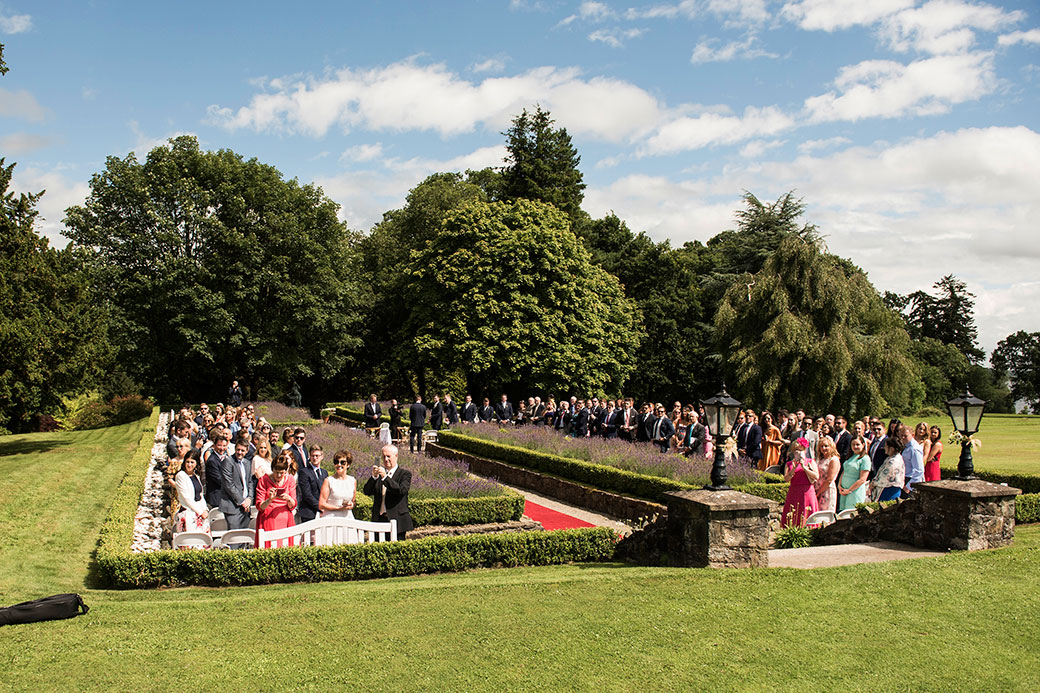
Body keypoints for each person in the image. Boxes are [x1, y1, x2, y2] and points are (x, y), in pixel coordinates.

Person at [363, 444, 413, 540]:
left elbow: (401, 491)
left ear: (396, 456)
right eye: (384, 456)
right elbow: (367, 491)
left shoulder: (404, 474)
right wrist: (374, 477)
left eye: (388, 456)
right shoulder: (380, 475)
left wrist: (385, 477)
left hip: (396, 519)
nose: (386, 459)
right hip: (379, 519)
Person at [254, 453, 297, 548]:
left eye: (281, 473)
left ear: (286, 471)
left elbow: (293, 505)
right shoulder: (263, 480)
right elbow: (259, 506)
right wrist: (270, 499)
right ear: (272, 469)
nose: (278, 475)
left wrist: (289, 499)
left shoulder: (290, 479)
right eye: (276, 472)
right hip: (268, 518)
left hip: (286, 520)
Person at [219, 440, 255, 548]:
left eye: (242, 450)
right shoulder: (228, 462)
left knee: (243, 539)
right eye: (238, 450)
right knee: (234, 539)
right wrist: (242, 501)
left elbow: (249, 482)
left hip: (246, 507)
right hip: (232, 506)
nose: (240, 452)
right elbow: (229, 485)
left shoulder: (247, 463)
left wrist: (249, 498)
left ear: (247, 451)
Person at [782, 438, 820, 527]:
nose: (798, 452)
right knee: (794, 513)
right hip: (794, 491)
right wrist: (794, 468)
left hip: (807, 491)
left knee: (808, 512)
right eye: (795, 451)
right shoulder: (789, 464)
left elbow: (816, 476)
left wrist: (805, 467)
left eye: (800, 450)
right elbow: (786, 478)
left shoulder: (810, 462)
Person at [174, 451, 210, 535]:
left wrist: (204, 509)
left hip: (200, 513)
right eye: (187, 462)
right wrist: (200, 512)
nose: (189, 465)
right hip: (188, 513)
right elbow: (187, 498)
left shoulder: (196, 476)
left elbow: (200, 495)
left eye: (192, 462)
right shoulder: (181, 476)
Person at [837, 435, 872, 512]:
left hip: (855, 492)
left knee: (851, 513)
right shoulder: (850, 457)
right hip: (844, 491)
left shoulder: (865, 459)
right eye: (853, 444)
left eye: (857, 444)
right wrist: (839, 485)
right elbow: (844, 471)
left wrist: (849, 490)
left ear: (863, 445)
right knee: (842, 514)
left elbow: (862, 479)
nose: (855, 446)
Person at [319, 450, 356, 519]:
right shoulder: (328, 481)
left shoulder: (352, 481)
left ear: (348, 465)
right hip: (331, 518)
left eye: (342, 462)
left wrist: (351, 505)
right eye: (336, 462)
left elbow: (353, 501)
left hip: (347, 518)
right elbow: (321, 504)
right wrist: (339, 508)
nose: (339, 464)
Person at [296, 444, 328, 524]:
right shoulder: (304, 472)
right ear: (309, 457)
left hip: (324, 512)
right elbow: (307, 495)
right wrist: (320, 507)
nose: (314, 458)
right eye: (312, 456)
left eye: (317, 456)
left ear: (322, 457)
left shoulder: (325, 473)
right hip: (309, 513)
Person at [814, 436, 841, 513]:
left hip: (827, 490)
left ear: (831, 447)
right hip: (817, 488)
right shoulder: (821, 460)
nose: (824, 448)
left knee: (825, 513)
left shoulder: (834, 460)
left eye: (826, 446)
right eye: (821, 446)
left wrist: (819, 493)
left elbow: (829, 479)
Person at [899, 424, 924, 496]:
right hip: (905, 478)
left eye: (905, 436)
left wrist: (908, 487)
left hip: (911, 481)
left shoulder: (914, 449)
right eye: (901, 436)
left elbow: (919, 470)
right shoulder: (907, 447)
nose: (903, 438)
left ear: (912, 435)